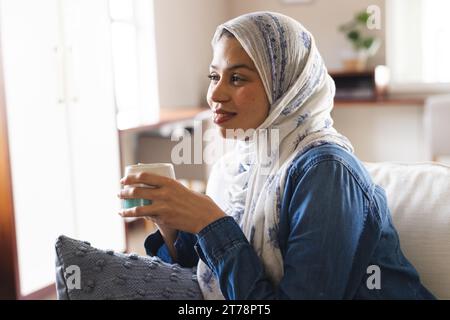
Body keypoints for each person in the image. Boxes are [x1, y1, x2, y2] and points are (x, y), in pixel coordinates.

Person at [118, 11, 435, 300]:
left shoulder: (326, 171)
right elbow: (202, 274)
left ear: (286, 86)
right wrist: (170, 225)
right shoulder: (235, 167)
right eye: (214, 76)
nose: (215, 94)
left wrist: (210, 222)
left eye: (237, 78)